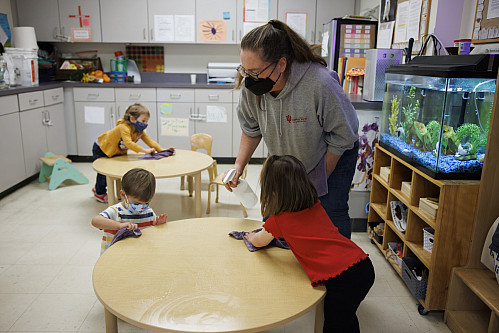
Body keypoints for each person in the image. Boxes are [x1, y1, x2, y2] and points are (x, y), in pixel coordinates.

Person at [228, 19, 359, 239]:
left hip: (333, 153)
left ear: (281, 64)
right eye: (244, 70)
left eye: (255, 71)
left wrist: (315, 182)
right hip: (288, 161)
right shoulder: (253, 86)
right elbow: (251, 129)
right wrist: (238, 167)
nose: (249, 78)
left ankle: (339, 269)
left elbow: (343, 135)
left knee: (327, 217)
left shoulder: (320, 83)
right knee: (276, 219)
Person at [244, 155, 374, 333]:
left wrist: (250, 237)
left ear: (272, 190)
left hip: (343, 278)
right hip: (361, 264)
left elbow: (259, 241)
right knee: (346, 317)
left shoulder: (279, 220)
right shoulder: (315, 205)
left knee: (335, 325)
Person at [92, 103, 163, 203]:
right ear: (132, 119)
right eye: (143, 121)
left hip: (115, 151)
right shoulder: (124, 127)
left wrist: (162, 151)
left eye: (147, 121)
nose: (145, 123)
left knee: (114, 170)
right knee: (103, 173)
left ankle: (97, 188)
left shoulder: (139, 131)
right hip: (101, 148)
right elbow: (129, 144)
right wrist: (145, 150)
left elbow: (150, 141)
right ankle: (99, 192)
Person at [91, 168, 167, 255]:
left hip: (136, 254)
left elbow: (149, 233)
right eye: (137, 203)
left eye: (146, 203)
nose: (142, 207)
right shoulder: (116, 211)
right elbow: (95, 221)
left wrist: (157, 225)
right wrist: (119, 225)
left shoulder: (149, 212)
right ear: (123, 195)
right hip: (114, 256)